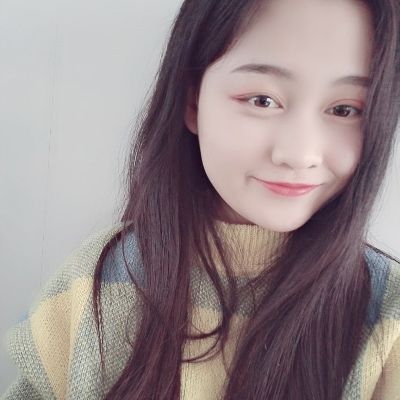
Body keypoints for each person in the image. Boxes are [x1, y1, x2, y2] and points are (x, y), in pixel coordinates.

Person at [2, 0, 400, 399]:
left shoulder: (389, 319)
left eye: (345, 109)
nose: (299, 155)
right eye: (262, 100)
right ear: (192, 102)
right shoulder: (95, 282)